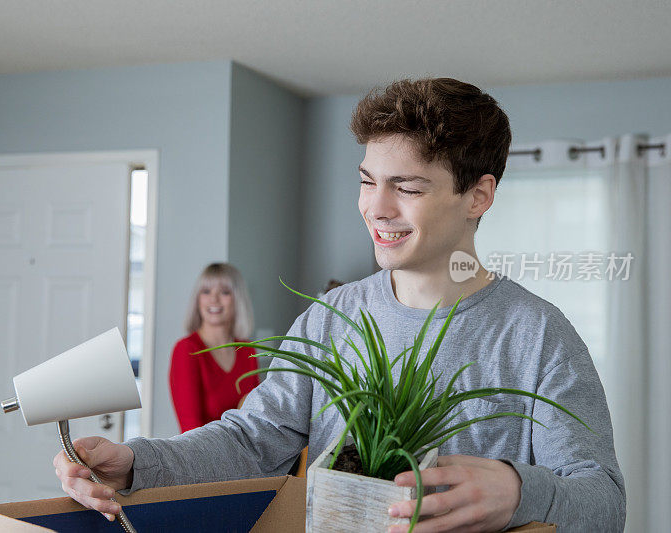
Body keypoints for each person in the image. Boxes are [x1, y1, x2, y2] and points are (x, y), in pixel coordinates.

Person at [54, 77, 626, 531]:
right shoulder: (332, 318)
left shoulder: (538, 334)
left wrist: (518, 491)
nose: (375, 208)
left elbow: (603, 503)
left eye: (407, 187)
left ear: (478, 195)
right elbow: (251, 441)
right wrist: (135, 462)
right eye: (366, 180)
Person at [169, 263, 260, 432]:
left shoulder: (248, 350)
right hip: (202, 455)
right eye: (206, 291)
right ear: (198, 299)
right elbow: (190, 430)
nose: (214, 299)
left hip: (247, 455)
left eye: (224, 292)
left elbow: (256, 418)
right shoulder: (186, 350)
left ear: (237, 299)